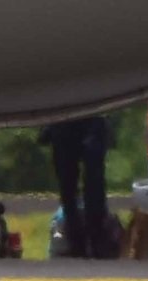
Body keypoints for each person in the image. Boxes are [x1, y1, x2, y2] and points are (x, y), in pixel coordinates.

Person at [46, 109, 121, 261]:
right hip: (62, 117)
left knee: (94, 180)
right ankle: (75, 238)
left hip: (92, 117)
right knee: (67, 182)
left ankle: (96, 236)